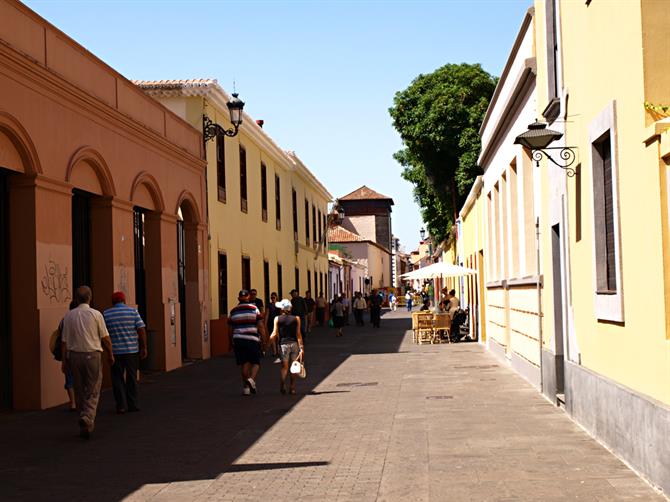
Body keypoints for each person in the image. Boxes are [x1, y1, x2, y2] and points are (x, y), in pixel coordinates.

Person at [61, 286, 113, 439]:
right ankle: (88, 417)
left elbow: (64, 342)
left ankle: (84, 421)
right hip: (92, 354)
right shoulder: (96, 314)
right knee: (93, 388)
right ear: (90, 297)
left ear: (76, 299)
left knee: (79, 389)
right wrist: (110, 354)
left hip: (74, 356)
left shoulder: (68, 316)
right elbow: (105, 338)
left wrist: (64, 362)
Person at [103, 291, 147, 414]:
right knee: (132, 378)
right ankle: (132, 404)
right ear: (124, 300)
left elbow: (103, 334)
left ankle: (121, 405)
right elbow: (141, 329)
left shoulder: (106, 314)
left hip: (115, 352)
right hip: (131, 351)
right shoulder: (132, 312)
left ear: (113, 301)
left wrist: (107, 351)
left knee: (117, 378)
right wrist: (144, 347)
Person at [228, 290, 265, 395]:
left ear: (238, 298)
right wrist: (264, 341)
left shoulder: (233, 311)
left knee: (244, 363)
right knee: (256, 362)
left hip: (238, 339)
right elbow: (261, 326)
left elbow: (230, 329)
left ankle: (246, 389)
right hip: (252, 339)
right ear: (248, 297)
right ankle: (251, 380)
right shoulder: (254, 309)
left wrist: (230, 342)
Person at [269, 299, 304, 395]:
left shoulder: (277, 318)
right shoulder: (296, 318)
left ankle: (282, 384)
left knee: (284, 367)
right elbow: (298, 334)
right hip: (294, 344)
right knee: (294, 367)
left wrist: (267, 344)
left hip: (283, 344)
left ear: (282, 309)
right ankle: (292, 388)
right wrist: (302, 348)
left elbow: (274, 333)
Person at [266, 292, 280, 363]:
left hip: (278, 322)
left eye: (273, 297)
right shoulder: (269, 305)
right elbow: (267, 314)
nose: (272, 299)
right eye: (271, 298)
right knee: (273, 337)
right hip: (271, 322)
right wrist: (265, 323)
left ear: (276, 298)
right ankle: (275, 352)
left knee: (278, 337)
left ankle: (279, 351)